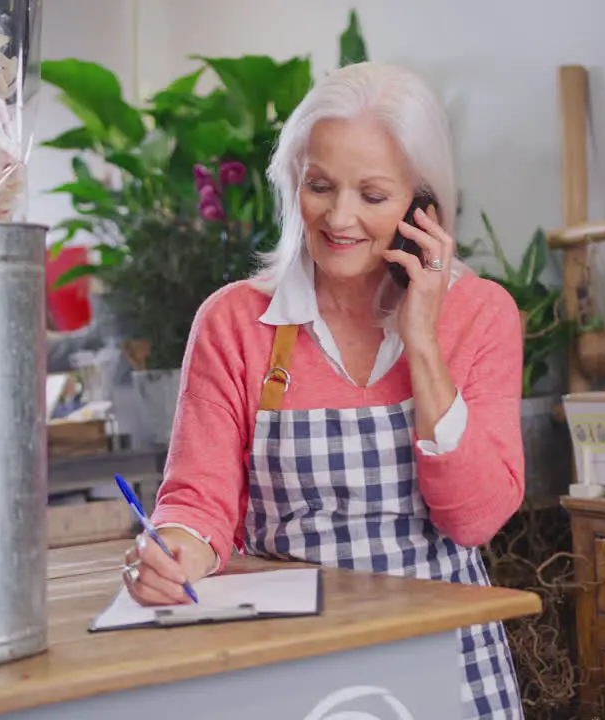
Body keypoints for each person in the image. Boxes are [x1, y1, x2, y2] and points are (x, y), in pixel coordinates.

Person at [121, 61, 526, 719]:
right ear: (292, 183)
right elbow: (200, 500)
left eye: (372, 195)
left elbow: (474, 519)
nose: (339, 218)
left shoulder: (481, 314)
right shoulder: (233, 322)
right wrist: (174, 550)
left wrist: (422, 341)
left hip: (443, 656)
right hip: (290, 657)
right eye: (319, 186)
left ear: (422, 205)